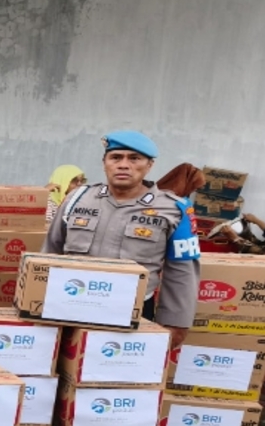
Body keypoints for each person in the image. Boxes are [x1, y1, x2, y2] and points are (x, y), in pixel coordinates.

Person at [44, 130, 200, 347]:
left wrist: (176, 324)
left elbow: (182, 272)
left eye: (134, 158)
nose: (124, 165)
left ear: (149, 165)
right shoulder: (78, 199)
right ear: (104, 163)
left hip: (133, 316)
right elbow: (50, 252)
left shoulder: (174, 209)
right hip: (70, 307)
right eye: (116, 157)